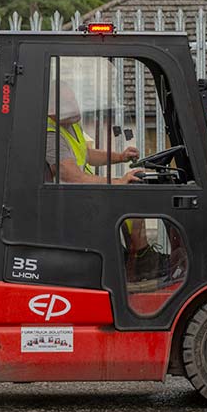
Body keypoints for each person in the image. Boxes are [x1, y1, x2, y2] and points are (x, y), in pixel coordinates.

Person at [45, 83, 165, 281]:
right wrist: (118, 182)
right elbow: (72, 176)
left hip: (79, 196)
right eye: (67, 103)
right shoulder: (50, 135)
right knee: (130, 205)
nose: (74, 107)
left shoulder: (69, 124)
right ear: (50, 108)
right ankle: (141, 264)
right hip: (66, 203)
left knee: (130, 201)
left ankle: (134, 261)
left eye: (73, 100)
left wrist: (120, 156)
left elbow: (87, 154)